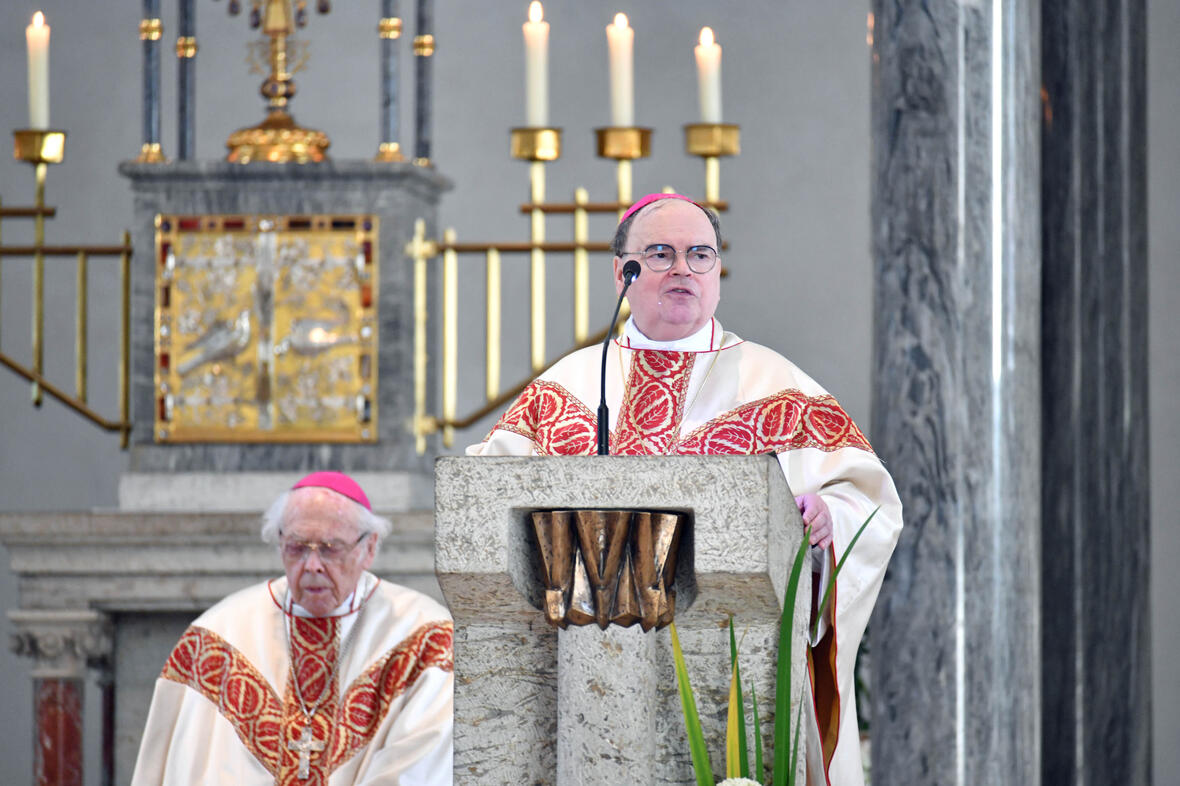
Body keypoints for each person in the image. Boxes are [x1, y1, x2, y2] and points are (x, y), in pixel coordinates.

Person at [467, 193, 902, 785]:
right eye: (660, 254)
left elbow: (868, 501)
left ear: (717, 270)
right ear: (622, 272)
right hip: (578, 680)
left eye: (700, 255)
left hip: (732, 679)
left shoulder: (777, 386)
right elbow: (483, 503)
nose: (683, 269)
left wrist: (830, 518)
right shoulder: (565, 387)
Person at [131, 471, 454, 785]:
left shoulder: (426, 638)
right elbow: (190, 765)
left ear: (369, 548)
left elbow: (420, 765)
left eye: (330, 548)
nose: (312, 566)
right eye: (297, 548)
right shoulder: (217, 637)